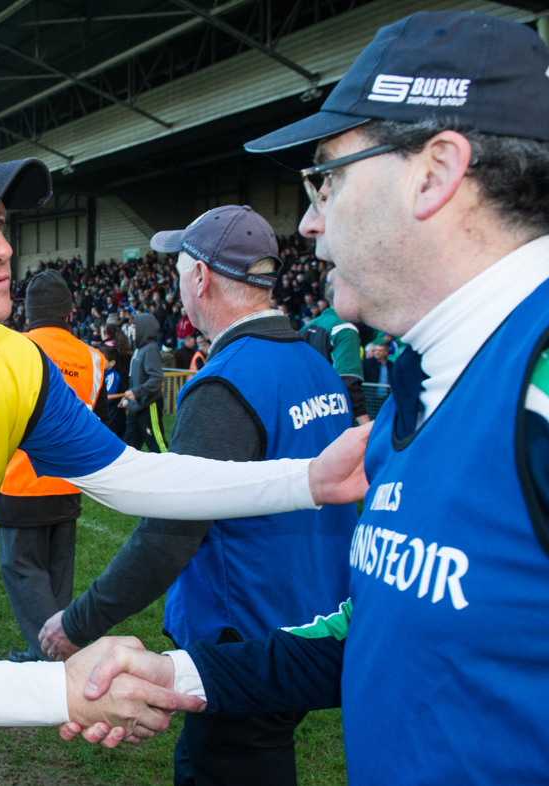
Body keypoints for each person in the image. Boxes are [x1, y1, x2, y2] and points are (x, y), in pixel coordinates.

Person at [66, 11, 549, 784]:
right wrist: (184, 677)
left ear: (435, 172)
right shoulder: (423, 387)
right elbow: (385, 626)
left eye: (327, 178)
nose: (311, 222)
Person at [0, 133, 370, 786]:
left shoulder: (12, 360)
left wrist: (306, 479)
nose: (1, 245)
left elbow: (126, 477)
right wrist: (62, 689)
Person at [41, 206, 358, 785]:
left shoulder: (226, 382)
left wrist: (79, 622)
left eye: (180, 269)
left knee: (220, 767)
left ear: (202, 278)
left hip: (246, 637)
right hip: (310, 623)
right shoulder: (314, 363)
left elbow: (169, 532)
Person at [0, 269, 108, 663]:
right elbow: (100, 423)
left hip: (19, 483)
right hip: (68, 483)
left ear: (26, 312)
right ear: (69, 313)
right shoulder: (93, 358)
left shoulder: (10, 349)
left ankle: (51, 654)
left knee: (22, 567)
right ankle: (59, 643)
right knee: (58, 575)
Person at [299, 288, 369, 423]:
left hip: (304, 413)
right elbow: (348, 379)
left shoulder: (307, 326)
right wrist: (365, 423)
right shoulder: (345, 329)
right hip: (332, 415)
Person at [122, 312, 167, 452]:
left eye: (135, 327)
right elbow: (135, 380)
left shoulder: (150, 349)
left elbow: (156, 379)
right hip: (136, 408)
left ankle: (171, 470)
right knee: (128, 447)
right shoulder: (139, 350)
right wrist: (127, 399)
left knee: (158, 447)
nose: (132, 331)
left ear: (144, 329)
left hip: (148, 406)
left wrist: (137, 392)